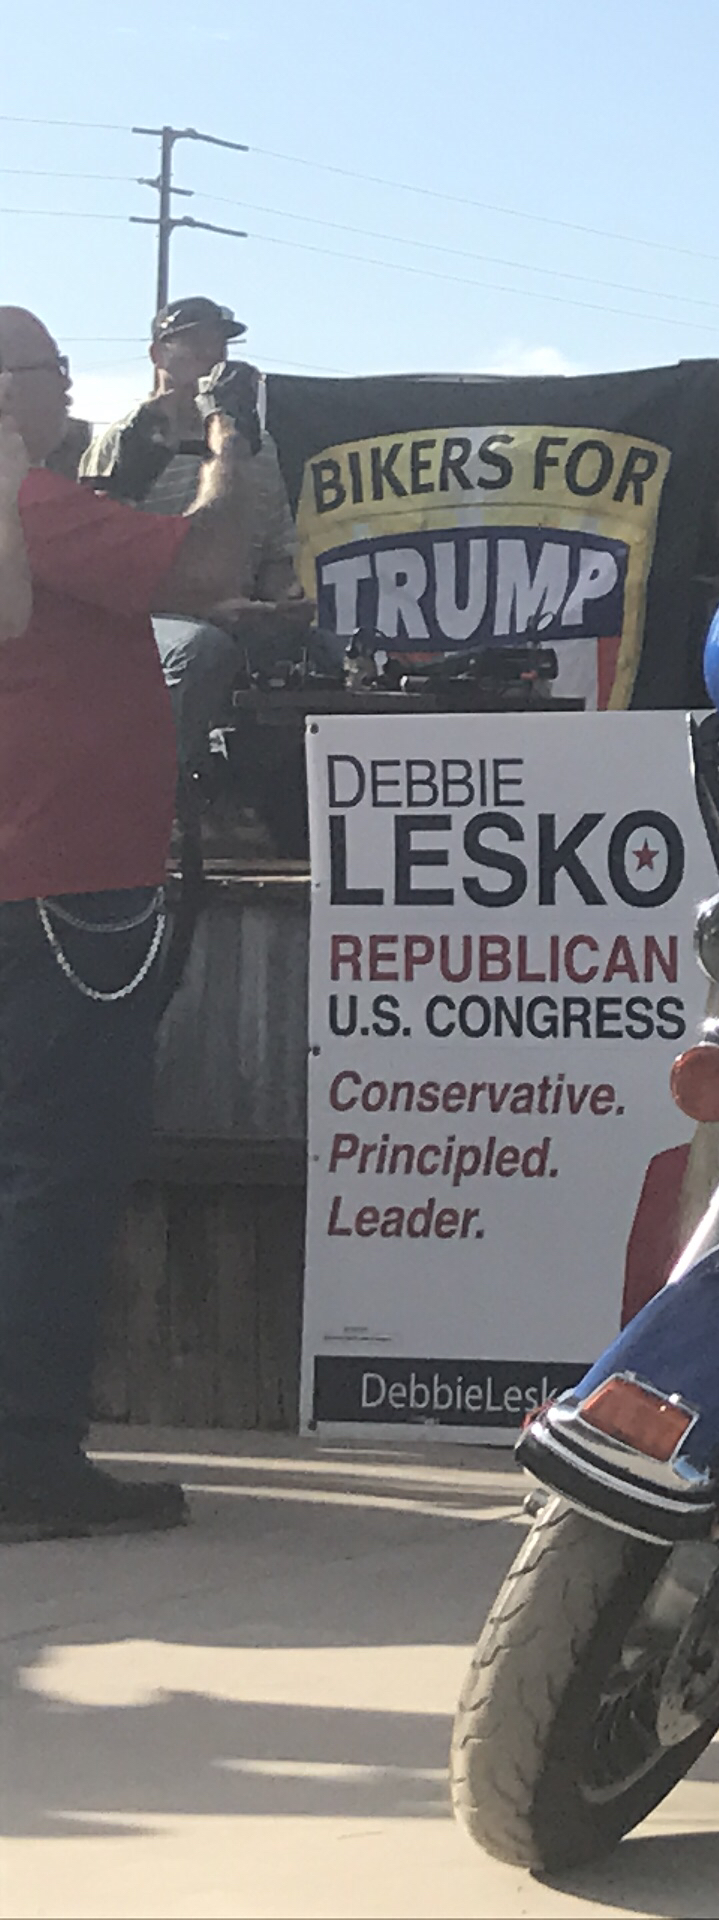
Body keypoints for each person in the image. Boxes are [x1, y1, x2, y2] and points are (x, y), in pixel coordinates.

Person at [0, 302, 271, 1539]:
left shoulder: (38, 515)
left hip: (38, 879)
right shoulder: (29, 506)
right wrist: (230, 439)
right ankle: (27, 1462)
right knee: (54, 1176)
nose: (68, 385)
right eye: (55, 368)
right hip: (59, 887)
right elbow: (206, 563)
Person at [84, 296, 296, 776]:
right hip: (148, 618)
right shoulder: (126, 442)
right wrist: (204, 605)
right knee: (200, 650)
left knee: (323, 650)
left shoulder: (259, 449)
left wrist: (289, 600)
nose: (213, 356)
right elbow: (102, 569)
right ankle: (153, 789)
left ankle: (283, 815)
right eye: (197, 343)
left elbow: (277, 557)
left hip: (241, 610)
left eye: (221, 345)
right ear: (159, 354)